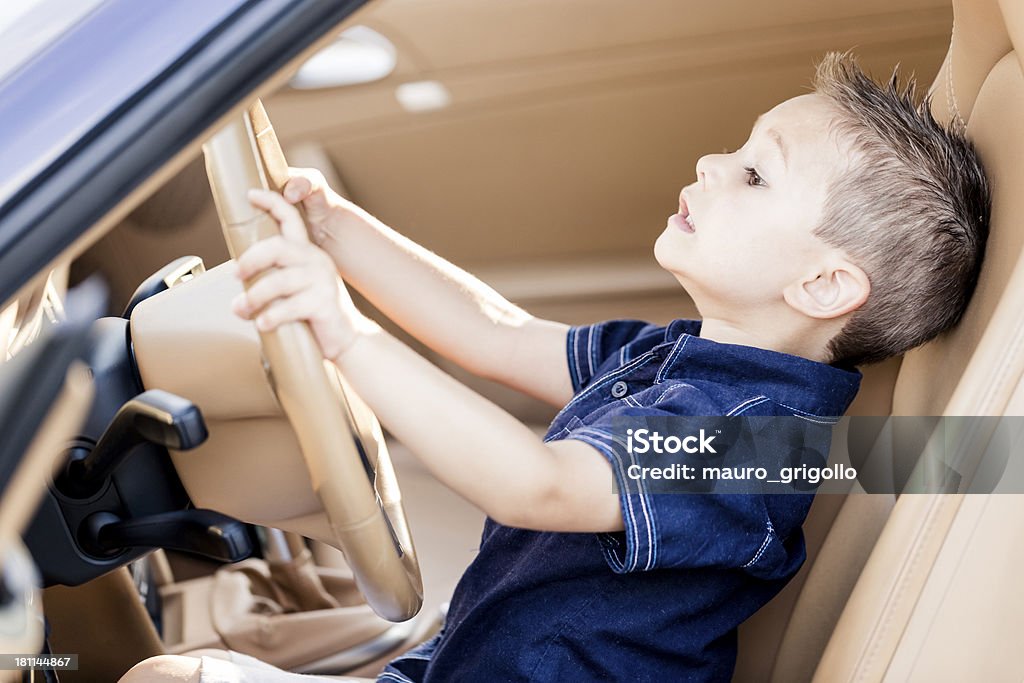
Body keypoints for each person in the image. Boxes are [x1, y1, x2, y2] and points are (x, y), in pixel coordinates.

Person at [120, 51, 989, 683]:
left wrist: (346, 336)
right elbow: (496, 333)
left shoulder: (747, 445)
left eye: (755, 174)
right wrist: (339, 232)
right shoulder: (680, 356)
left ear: (824, 283)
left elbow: (537, 485)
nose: (710, 164)